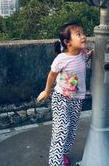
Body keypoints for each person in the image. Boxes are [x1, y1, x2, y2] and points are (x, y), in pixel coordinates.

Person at [36, 22, 91, 166]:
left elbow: (84, 60)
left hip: (77, 99)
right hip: (61, 98)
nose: (83, 36)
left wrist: (93, 55)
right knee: (61, 130)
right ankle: (55, 162)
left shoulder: (82, 54)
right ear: (67, 42)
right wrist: (46, 91)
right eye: (78, 34)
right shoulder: (61, 59)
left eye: (83, 33)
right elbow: (52, 75)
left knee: (72, 128)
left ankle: (63, 154)